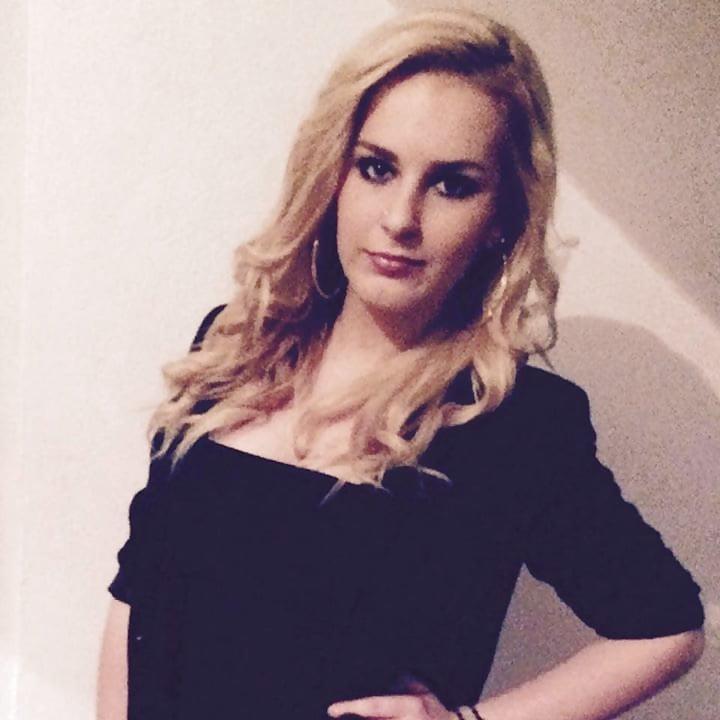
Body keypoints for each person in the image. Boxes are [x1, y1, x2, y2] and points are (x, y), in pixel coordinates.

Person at [97, 8, 705, 720]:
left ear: (501, 216)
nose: (400, 218)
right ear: (334, 175)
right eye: (377, 168)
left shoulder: (514, 423)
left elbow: (667, 628)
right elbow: (137, 593)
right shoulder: (235, 345)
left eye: (452, 184)